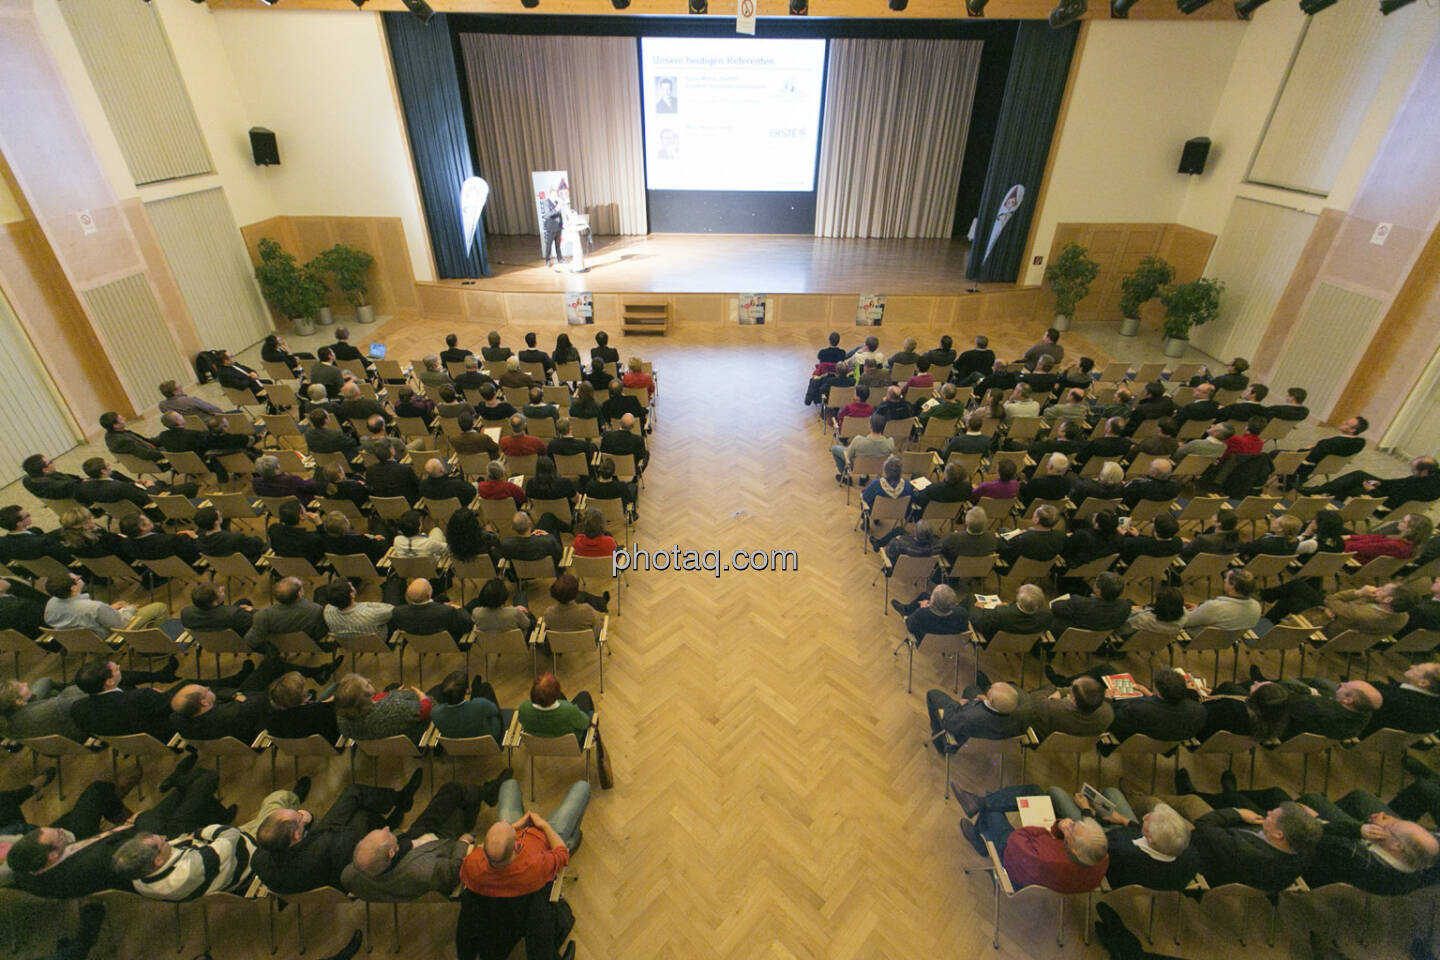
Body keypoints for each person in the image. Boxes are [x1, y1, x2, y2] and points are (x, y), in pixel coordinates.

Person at [454, 779, 589, 960]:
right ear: (517, 847)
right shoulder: (533, 868)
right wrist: (543, 825)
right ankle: (574, 837)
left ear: (484, 849)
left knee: (509, 784)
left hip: (509, 838)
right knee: (583, 788)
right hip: (548, 836)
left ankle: (570, 836)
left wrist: (514, 826)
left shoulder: (473, 864)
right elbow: (562, 854)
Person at [342, 776, 510, 902]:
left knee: (450, 790)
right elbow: (453, 871)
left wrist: (399, 834)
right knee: (462, 807)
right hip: (444, 841)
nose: (387, 828)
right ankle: (485, 794)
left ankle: (485, 793)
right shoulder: (425, 871)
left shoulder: (351, 873)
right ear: (392, 852)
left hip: (416, 833)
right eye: (386, 833)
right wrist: (463, 842)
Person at [253, 771, 424, 894]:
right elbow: (345, 838)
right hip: (339, 866)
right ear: (296, 836)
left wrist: (306, 822)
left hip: (315, 854)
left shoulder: (260, 859)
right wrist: (310, 820)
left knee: (353, 794)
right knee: (361, 815)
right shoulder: (325, 846)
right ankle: (395, 809)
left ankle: (398, 802)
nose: (301, 814)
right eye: (298, 817)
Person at [955, 785, 1108, 893]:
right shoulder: (1101, 856)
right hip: (1049, 874)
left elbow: (1017, 838)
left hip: (1014, 861)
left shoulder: (1047, 858)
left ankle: (979, 838)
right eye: (1076, 822)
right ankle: (980, 803)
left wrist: (1055, 827)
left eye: (1072, 828)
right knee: (1034, 791)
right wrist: (1061, 830)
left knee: (992, 811)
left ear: (1074, 849)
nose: (1071, 823)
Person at [44, 572, 171, 637]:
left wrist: (109, 610)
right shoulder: (94, 607)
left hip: (81, 640)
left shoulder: (51, 604)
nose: (79, 577)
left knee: (122, 604)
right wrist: (129, 610)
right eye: (77, 578)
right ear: (73, 588)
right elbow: (121, 625)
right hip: (107, 636)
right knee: (159, 607)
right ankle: (154, 645)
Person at [925, 681, 1031, 754]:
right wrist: (986, 700)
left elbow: (949, 723)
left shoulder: (969, 718)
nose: (989, 688)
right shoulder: (1022, 715)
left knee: (932, 694)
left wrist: (956, 704)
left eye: (990, 690)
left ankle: (939, 742)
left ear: (991, 701)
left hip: (963, 735)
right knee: (971, 689)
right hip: (993, 738)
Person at [335, 673, 430, 744]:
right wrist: (422, 696)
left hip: (384, 742)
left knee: (392, 686)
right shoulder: (396, 707)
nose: (369, 680)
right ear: (366, 698)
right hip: (415, 736)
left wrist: (393, 695)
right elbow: (427, 709)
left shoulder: (342, 721)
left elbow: (377, 701)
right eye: (367, 685)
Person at [244, 576, 328, 652]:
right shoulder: (316, 609)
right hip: (310, 639)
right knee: (321, 590)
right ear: (299, 594)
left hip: (282, 645)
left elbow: (251, 641)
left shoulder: (262, 616)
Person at [1029, 675, 1113, 739]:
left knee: (1048, 688)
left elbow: (1033, 698)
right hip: (1076, 745)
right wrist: (1061, 692)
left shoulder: (1054, 708)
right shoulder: (1108, 715)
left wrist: (1056, 693)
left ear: (1074, 700)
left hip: (1041, 738)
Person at [391, 578, 473, 643]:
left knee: (442, 598)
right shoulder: (448, 611)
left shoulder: (397, 612)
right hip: (447, 643)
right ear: (429, 595)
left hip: (417, 642)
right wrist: (457, 608)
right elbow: (468, 625)